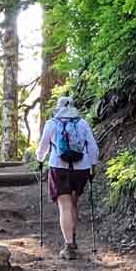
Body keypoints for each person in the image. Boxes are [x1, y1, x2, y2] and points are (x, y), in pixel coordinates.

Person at [36, 95, 99, 258]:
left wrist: (40, 160)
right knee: (73, 203)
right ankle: (73, 237)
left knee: (65, 206)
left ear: (58, 108)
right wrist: (92, 165)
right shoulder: (82, 123)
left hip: (59, 167)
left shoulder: (51, 123)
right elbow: (92, 147)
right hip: (81, 168)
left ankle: (69, 246)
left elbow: (43, 148)